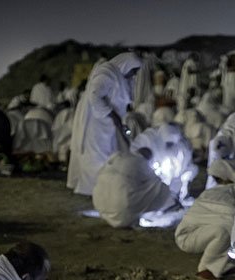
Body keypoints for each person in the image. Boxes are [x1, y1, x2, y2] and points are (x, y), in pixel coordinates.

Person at [67, 53, 141, 196]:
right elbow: (95, 95)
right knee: (97, 155)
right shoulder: (107, 73)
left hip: (109, 122)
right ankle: (94, 188)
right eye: (133, 70)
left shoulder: (122, 77)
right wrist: (112, 115)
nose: (134, 74)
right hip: (98, 123)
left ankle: (108, 185)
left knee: (111, 153)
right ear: (126, 65)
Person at [174, 159, 235, 280]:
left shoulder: (223, 191)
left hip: (197, 233)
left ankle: (226, 266)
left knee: (229, 228)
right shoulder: (223, 192)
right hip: (187, 235)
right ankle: (207, 270)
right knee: (225, 231)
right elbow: (229, 215)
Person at [90, 149, 178, 228]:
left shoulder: (117, 156)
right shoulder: (140, 161)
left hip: (100, 206)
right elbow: (155, 180)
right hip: (121, 211)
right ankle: (170, 205)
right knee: (161, 186)